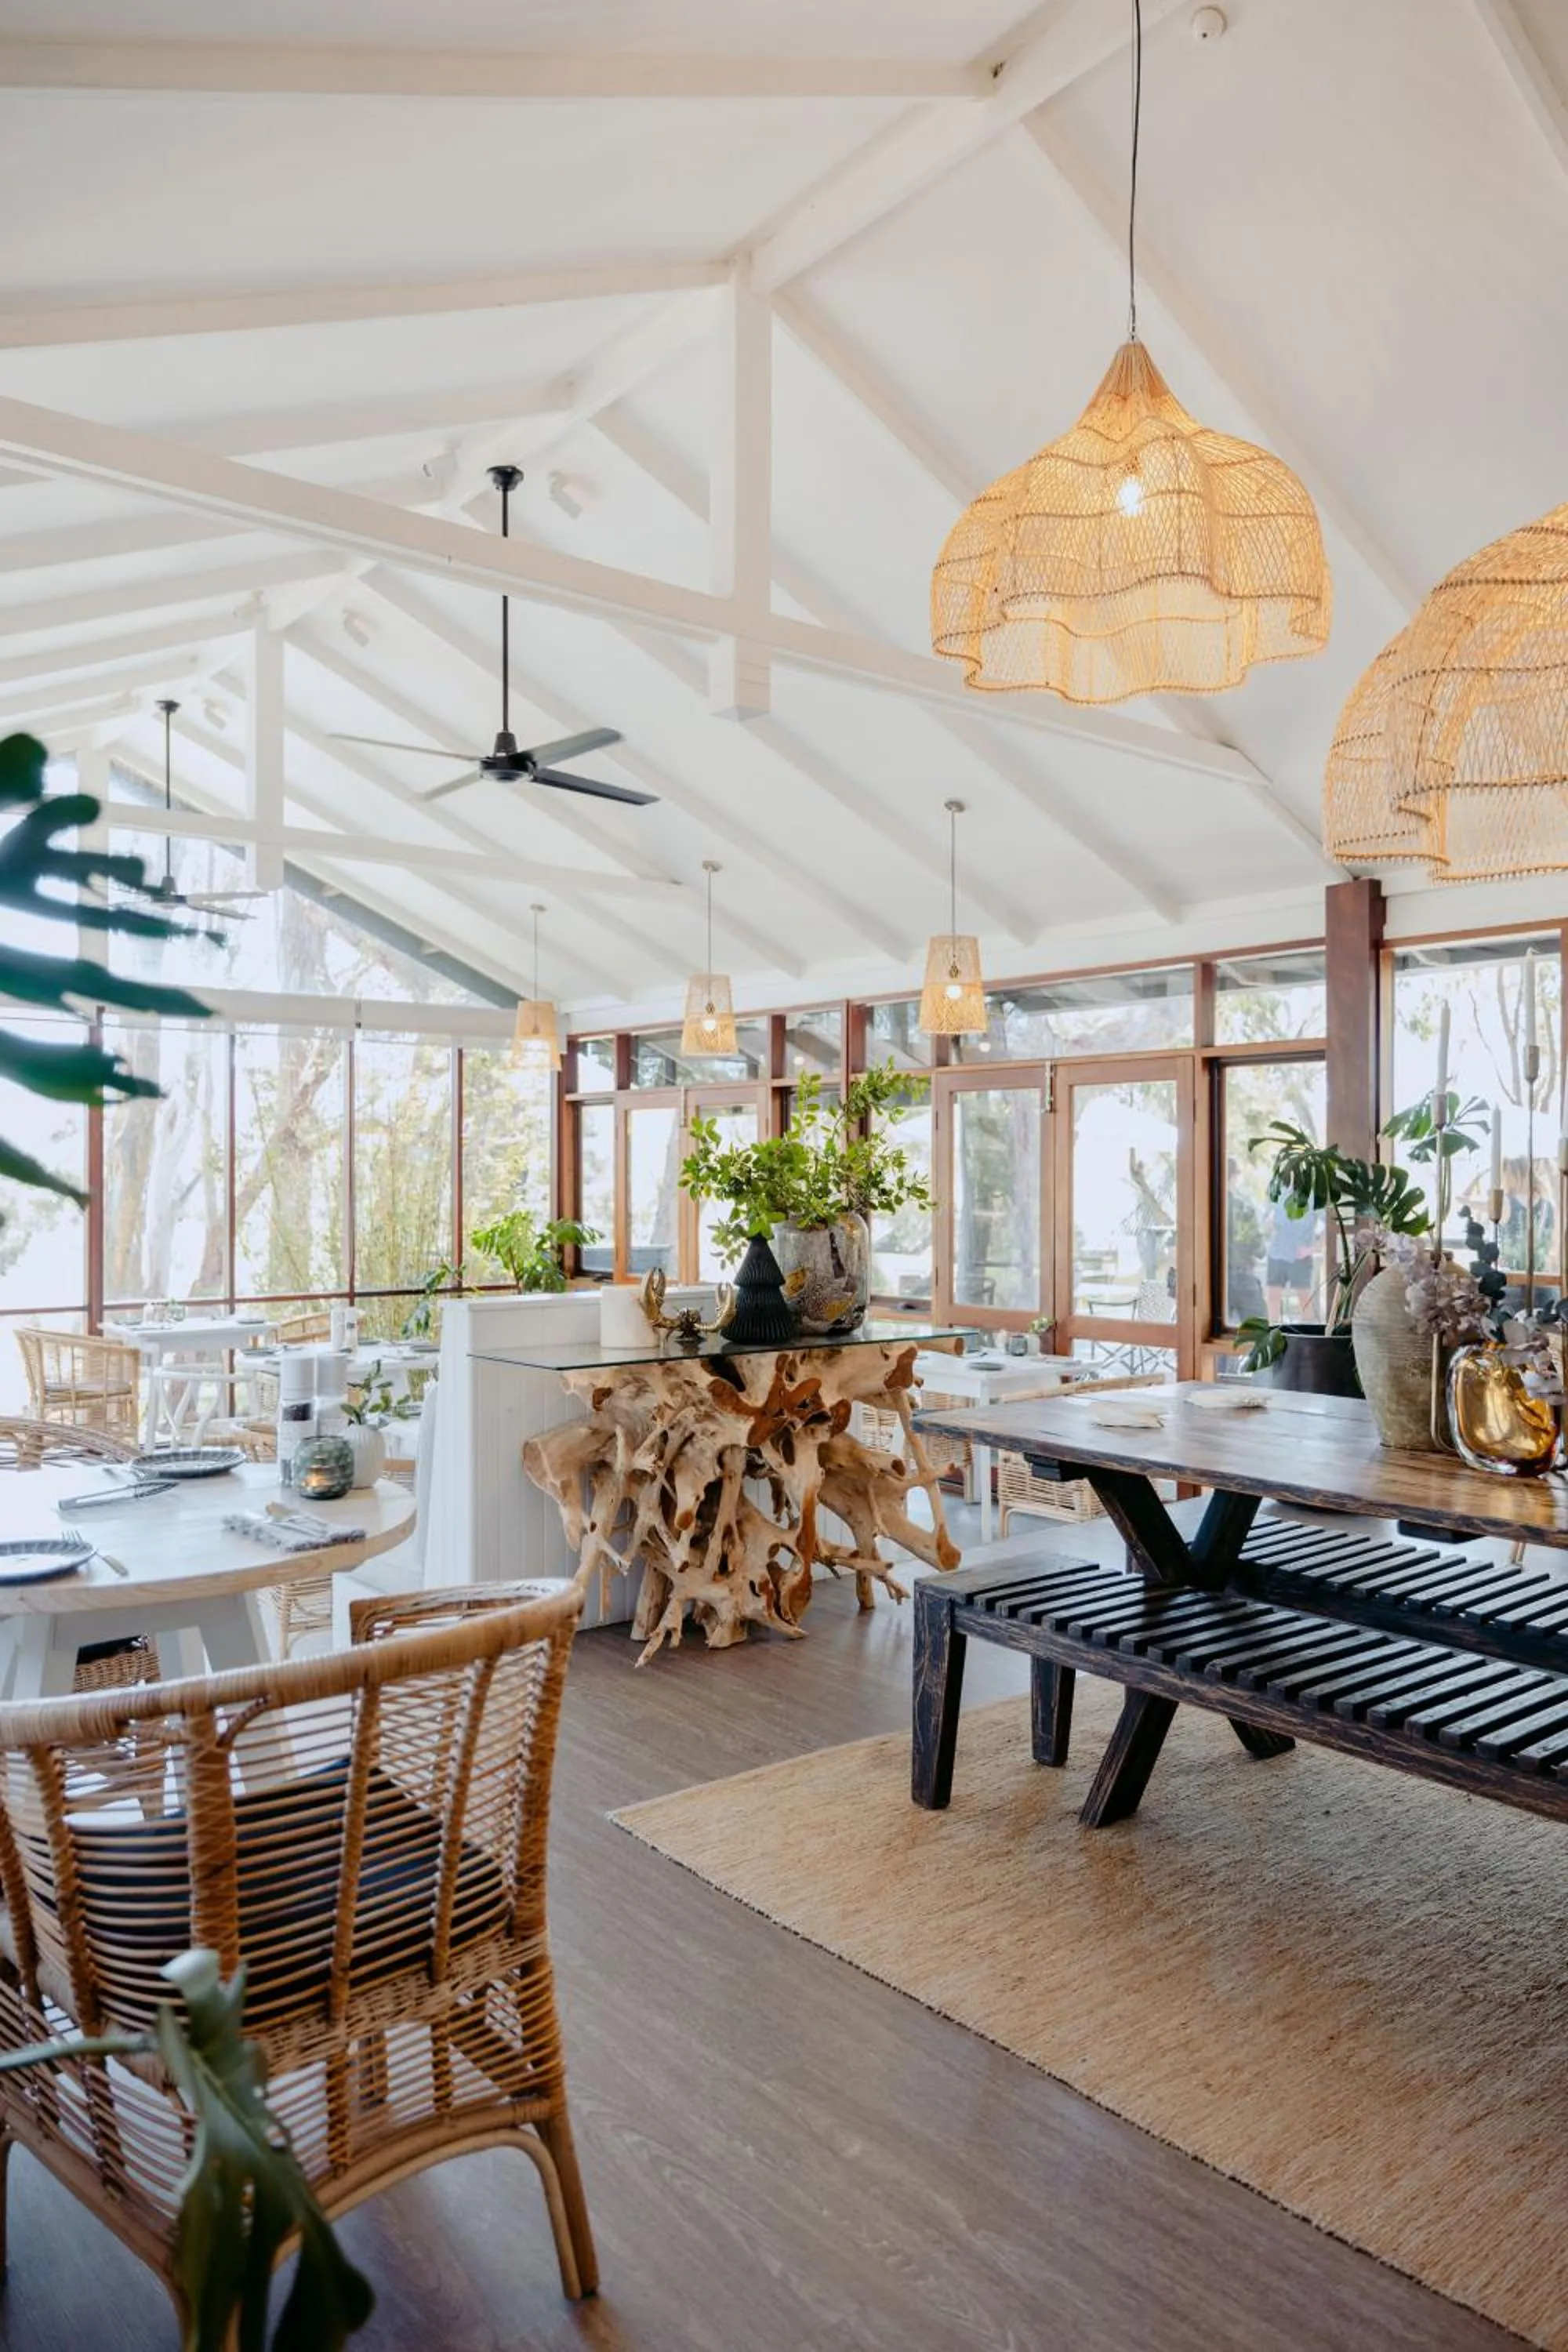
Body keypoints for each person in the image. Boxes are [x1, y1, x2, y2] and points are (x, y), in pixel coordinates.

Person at [1265, 1195, 1318, 1321]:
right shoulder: (1279, 1192)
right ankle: (1273, 1331)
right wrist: (1269, 1222)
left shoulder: (1312, 1196)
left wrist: (1311, 1249)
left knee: (1304, 1297)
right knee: (1273, 1296)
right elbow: (1267, 1223)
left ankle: (1307, 1332)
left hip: (1300, 1257)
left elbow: (1327, 1227)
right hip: (1277, 1253)